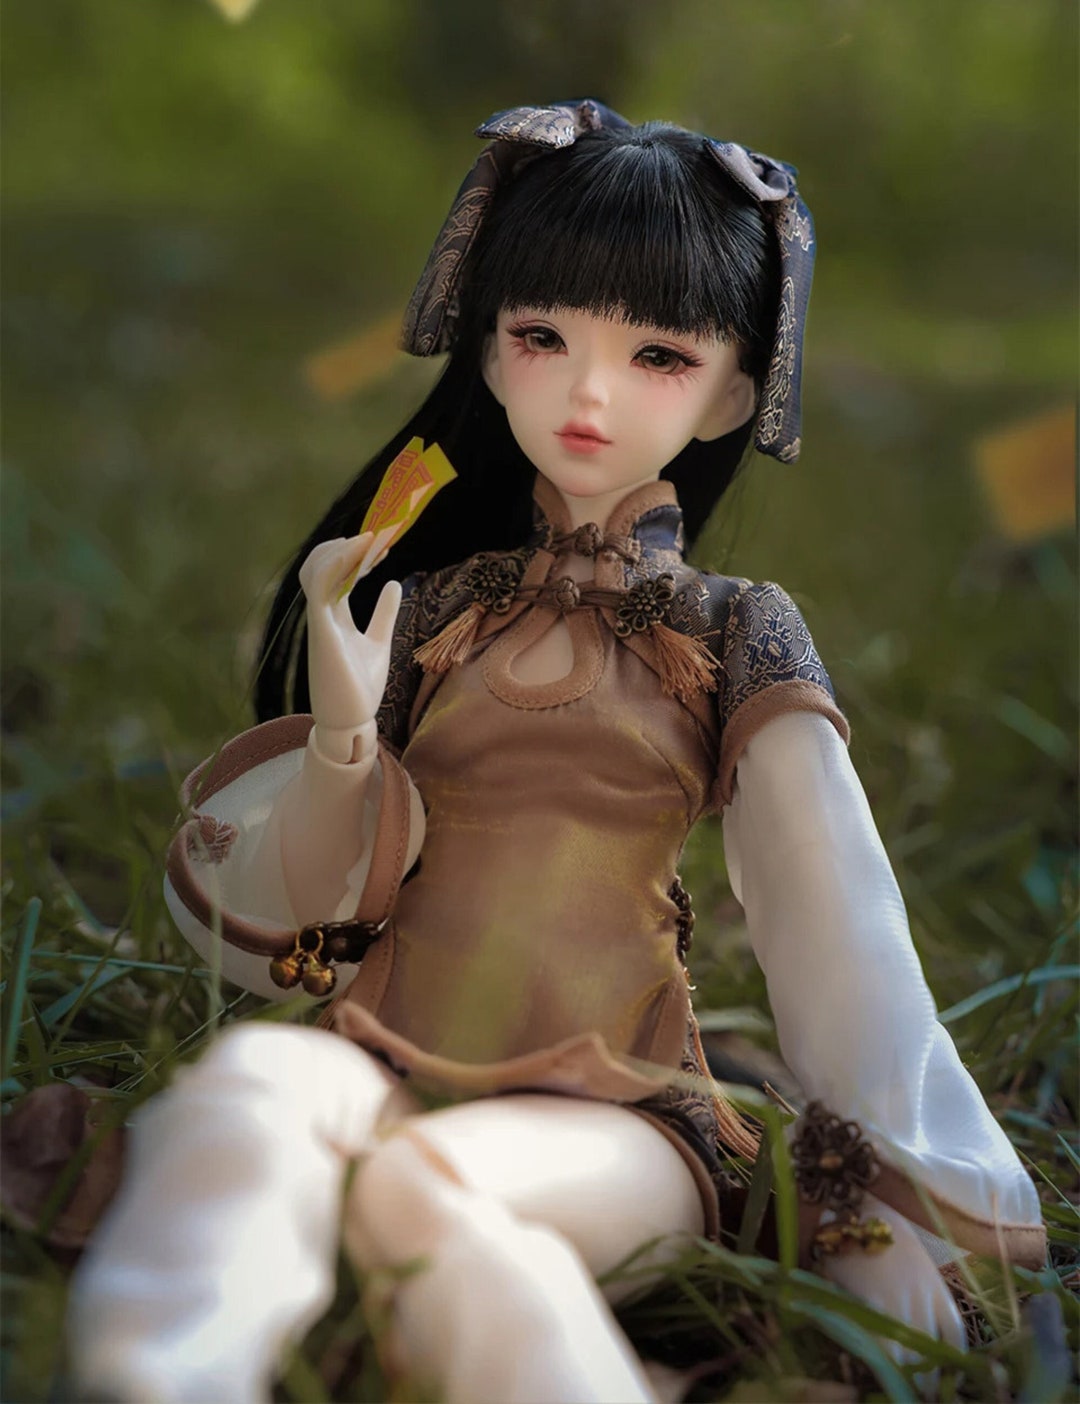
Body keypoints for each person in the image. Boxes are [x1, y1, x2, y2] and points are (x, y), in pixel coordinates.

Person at [67, 101, 1045, 1404]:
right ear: (490, 349)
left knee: (427, 1190)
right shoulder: (430, 609)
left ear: (732, 392)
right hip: (385, 1054)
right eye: (544, 337)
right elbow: (307, 924)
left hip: (618, 1113)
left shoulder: (734, 632)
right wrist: (346, 738)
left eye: (658, 356)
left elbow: (835, 916)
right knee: (252, 1087)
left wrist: (900, 1188)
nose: (588, 394)